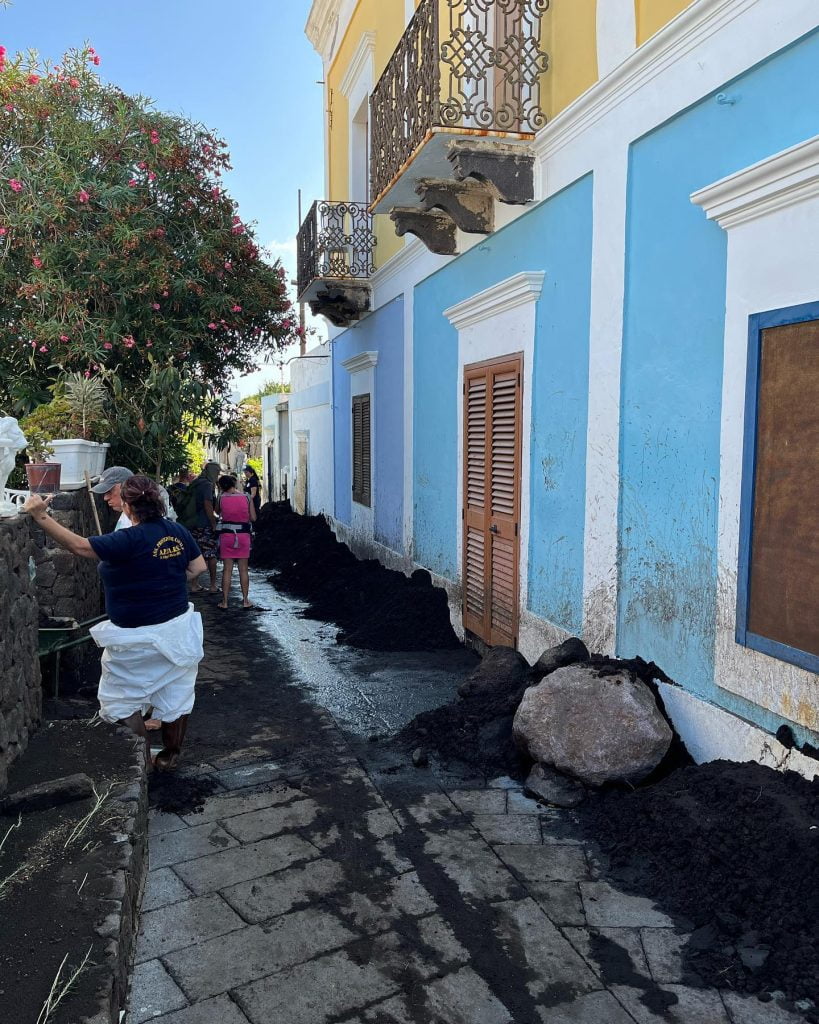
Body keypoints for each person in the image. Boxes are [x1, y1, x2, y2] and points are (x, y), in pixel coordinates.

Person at [24, 476, 206, 770]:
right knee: (177, 694)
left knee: (120, 699)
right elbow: (197, 567)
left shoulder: (128, 539)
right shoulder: (176, 530)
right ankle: (170, 756)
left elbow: (81, 547)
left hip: (136, 640)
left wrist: (40, 516)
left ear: (128, 505)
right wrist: (164, 581)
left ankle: (142, 762)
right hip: (177, 629)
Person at [216, 474, 256, 610]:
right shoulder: (246, 497)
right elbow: (254, 518)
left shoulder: (221, 498)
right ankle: (245, 601)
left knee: (227, 570)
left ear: (221, 487)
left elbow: (217, 512)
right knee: (243, 569)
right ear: (234, 483)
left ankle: (225, 602)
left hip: (226, 536)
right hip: (243, 536)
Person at [92, 465, 176, 529]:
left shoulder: (141, 522)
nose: (105, 498)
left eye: (109, 491)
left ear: (125, 487)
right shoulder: (128, 516)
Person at [188, 462, 221, 594]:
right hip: (204, 524)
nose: (218, 475)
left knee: (195, 553)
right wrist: (213, 523)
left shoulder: (195, 483)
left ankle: (194, 585)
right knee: (211, 554)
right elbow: (208, 504)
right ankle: (213, 585)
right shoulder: (207, 485)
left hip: (192, 523)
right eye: (217, 472)